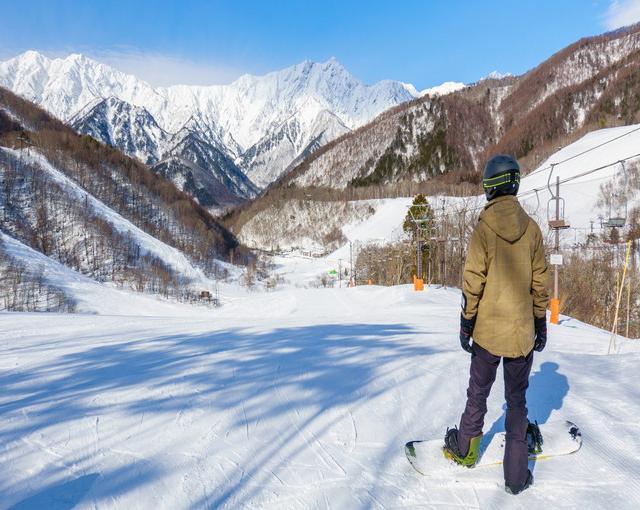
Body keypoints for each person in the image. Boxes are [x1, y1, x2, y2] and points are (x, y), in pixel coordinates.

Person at [443, 154, 549, 495]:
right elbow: (540, 284)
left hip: (488, 334)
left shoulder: (483, 229)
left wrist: (466, 323)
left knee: (478, 394)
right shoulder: (531, 229)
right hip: (521, 335)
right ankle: (517, 476)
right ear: (514, 183)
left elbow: (472, 280)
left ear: (490, 188)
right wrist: (539, 322)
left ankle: (466, 449)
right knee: (516, 401)